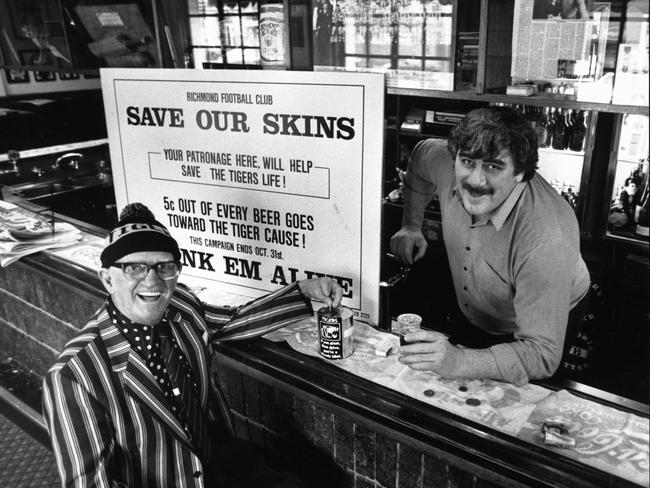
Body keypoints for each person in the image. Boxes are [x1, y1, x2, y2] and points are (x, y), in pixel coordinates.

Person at [42, 202, 342, 487]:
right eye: (135, 268)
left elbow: (231, 322)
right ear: (108, 279)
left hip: (217, 458)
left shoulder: (180, 304)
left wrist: (304, 290)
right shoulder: (73, 376)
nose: (153, 281)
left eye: (164, 267)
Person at [390, 107, 590, 386]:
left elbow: (542, 353)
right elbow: (420, 155)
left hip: (539, 317)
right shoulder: (445, 162)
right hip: (478, 304)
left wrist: (460, 361)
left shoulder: (546, 235)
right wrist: (411, 224)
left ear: (520, 172)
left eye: (494, 167)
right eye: (468, 162)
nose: (476, 180)